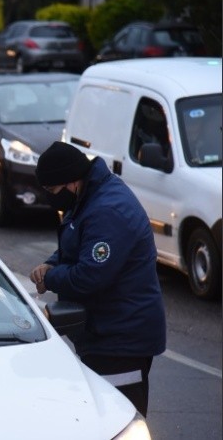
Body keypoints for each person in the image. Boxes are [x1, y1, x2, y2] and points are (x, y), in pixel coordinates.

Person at [29, 141, 166, 417]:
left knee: (118, 420)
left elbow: (90, 275)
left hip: (122, 341)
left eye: (52, 191)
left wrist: (52, 278)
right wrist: (51, 263)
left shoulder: (108, 209)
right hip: (104, 334)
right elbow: (79, 243)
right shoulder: (88, 197)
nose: (51, 198)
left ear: (70, 182)